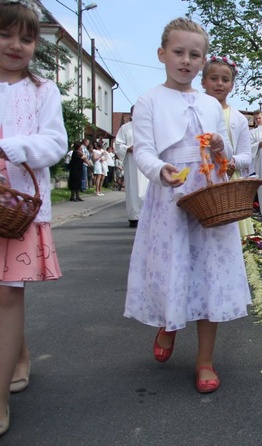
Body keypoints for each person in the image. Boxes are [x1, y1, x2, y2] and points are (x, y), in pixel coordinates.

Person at [123, 17, 251, 394]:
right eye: (178, 52)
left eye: (195, 54)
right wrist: (161, 170)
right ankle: (169, 323)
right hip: (172, 195)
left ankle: (205, 360)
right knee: (176, 266)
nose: (186, 60)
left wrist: (219, 147)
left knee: (210, 274)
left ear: (203, 59)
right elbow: (144, 151)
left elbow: (224, 152)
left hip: (210, 194)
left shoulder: (211, 103)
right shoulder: (148, 101)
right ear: (162, 54)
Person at [0, 0, 68, 436]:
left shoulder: (44, 91)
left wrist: (18, 147)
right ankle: (18, 354)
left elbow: (55, 142)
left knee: (7, 296)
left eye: (26, 38)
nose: (16, 45)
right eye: (6, 34)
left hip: (16, 209)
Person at [201, 54, 254, 237]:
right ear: (203, 82)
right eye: (213, 79)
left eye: (225, 80)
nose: (219, 84)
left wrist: (231, 162)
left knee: (229, 235)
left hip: (229, 180)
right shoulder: (195, 112)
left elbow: (246, 155)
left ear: (231, 85)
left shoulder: (238, 119)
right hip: (201, 180)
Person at [115, 106, 149, 228]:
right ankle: (134, 217)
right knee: (133, 189)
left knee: (146, 188)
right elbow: (118, 144)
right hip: (132, 162)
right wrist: (127, 148)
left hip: (146, 162)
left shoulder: (148, 127)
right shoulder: (125, 128)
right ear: (132, 114)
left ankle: (146, 216)